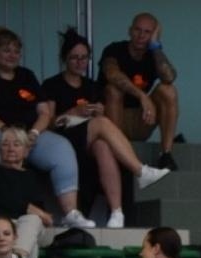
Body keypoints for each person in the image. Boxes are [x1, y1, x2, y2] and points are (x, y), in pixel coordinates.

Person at [42, 28, 171, 229]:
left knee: (102, 145)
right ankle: (140, 170)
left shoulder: (92, 86)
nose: (80, 62)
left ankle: (117, 213)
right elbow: (48, 122)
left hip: (89, 137)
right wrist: (73, 111)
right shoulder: (52, 84)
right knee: (101, 125)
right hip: (62, 140)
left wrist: (99, 111)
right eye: (74, 57)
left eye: (84, 58)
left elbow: (100, 120)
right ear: (65, 58)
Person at [0, 27, 95, 229]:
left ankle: (71, 212)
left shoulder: (26, 75)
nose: (12, 55)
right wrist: (9, 132)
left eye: (16, 51)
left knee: (61, 147)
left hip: (28, 133)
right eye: (6, 50)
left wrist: (34, 133)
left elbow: (44, 113)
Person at [100, 12, 179, 169]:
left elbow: (169, 77)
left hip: (141, 119)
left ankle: (166, 154)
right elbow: (112, 74)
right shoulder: (114, 49)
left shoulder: (152, 55)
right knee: (113, 90)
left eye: (147, 32)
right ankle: (118, 153)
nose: (141, 35)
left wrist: (156, 46)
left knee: (168, 90)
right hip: (111, 118)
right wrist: (142, 96)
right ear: (130, 31)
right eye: (138, 30)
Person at [0, 128, 55, 255]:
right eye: (5, 144)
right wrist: (40, 214)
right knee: (30, 240)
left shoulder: (32, 176)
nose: (11, 149)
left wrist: (39, 214)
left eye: (17, 144)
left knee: (31, 222)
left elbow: (38, 209)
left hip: (26, 225)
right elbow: (7, 200)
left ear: (26, 151)